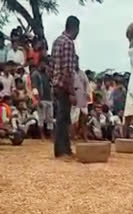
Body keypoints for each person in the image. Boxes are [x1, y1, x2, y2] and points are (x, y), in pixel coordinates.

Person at [51, 16, 79, 159]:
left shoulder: (57, 41)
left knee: (62, 117)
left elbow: (52, 66)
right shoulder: (68, 43)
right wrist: (72, 91)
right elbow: (68, 70)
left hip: (56, 83)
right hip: (63, 85)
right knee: (63, 118)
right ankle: (62, 150)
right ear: (74, 28)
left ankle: (64, 148)